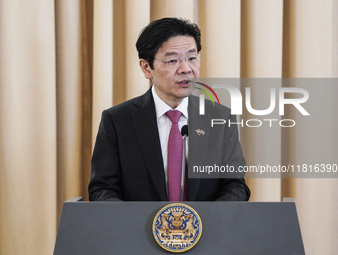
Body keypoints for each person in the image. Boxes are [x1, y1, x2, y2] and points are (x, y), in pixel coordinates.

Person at [88, 17, 250, 201]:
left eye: (192, 58)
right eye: (172, 60)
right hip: (138, 228)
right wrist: (131, 224)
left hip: (207, 228)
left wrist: (209, 223)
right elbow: (102, 189)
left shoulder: (220, 117)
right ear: (146, 67)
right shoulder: (117, 120)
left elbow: (235, 185)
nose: (186, 69)